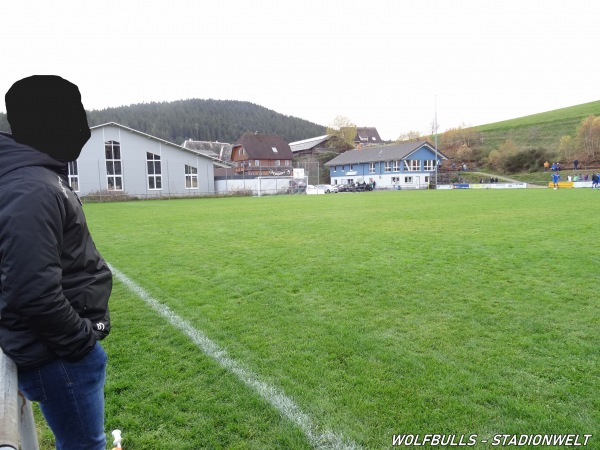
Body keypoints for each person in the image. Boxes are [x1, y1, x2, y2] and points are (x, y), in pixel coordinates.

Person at [0, 75, 112, 450]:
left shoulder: (36, 177)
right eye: (72, 114)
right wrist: (82, 345)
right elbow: (32, 292)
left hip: (57, 352)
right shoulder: (31, 188)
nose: (82, 127)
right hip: (60, 357)